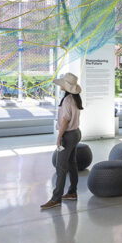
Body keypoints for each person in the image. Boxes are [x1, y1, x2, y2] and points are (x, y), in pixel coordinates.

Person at [41, 73, 83, 210]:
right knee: (72, 163)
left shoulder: (67, 101)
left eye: (63, 84)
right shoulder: (75, 98)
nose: (61, 86)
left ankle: (56, 199)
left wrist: (59, 137)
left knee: (61, 167)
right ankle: (72, 192)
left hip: (68, 135)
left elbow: (65, 120)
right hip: (76, 133)